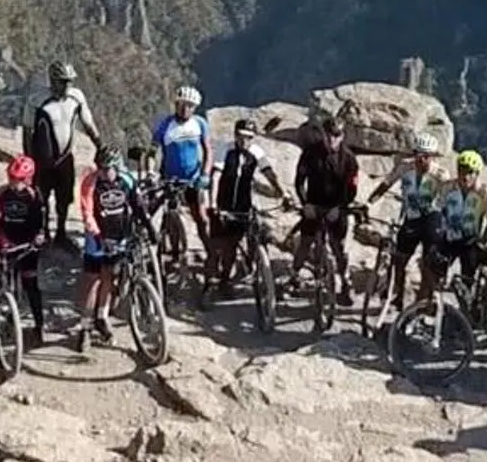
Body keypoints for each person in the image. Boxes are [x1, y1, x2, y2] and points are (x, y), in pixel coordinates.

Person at [206, 117, 287, 302]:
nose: (244, 140)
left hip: (244, 203)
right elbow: (216, 177)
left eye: (249, 137)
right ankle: (219, 281)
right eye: (241, 136)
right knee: (226, 246)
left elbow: (269, 174)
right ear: (235, 135)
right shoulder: (224, 150)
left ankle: (255, 268)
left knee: (255, 232)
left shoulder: (256, 152)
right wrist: (212, 203)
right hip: (224, 204)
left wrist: (283, 193)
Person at [74, 145, 146, 349]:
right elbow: (87, 213)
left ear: (117, 167)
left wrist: (147, 228)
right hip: (96, 238)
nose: (103, 172)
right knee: (93, 281)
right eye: (100, 168)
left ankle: (101, 317)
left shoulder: (127, 180)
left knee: (109, 277)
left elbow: (137, 206)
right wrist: (98, 236)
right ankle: (85, 327)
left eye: (107, 169)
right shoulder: (90, 183)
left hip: (118, 236)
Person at [366, 133, 446, 314]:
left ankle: (423, 301)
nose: (421, 159)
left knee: (428, 263)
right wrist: (369, 203)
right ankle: (398, 297)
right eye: (418, 154)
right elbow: (385, 184)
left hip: (431, 219)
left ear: (433, 157)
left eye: (426, 156)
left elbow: (448, 198)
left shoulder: (440, 175)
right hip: (411, 218)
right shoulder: (404, 167)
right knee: (399, 260)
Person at [26, 63, 102, 245]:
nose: (67, 86)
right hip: (42, 159)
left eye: (70, 82)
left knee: (64, 197)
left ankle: (60, 232)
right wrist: (28, 159)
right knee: (41, 197)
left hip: (65, 158)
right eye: (63, 82)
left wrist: (100, 145)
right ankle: (43, 232)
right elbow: (28, 131)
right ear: (53, 81)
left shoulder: (76, 98)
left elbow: (88, 124)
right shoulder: (37, 100)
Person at [292, 111, 363, 303]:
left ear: (343, 136)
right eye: (329, 134)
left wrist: (340, 208)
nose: (332, 139)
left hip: (336, 207)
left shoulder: (349, 159)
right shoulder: (309, 153)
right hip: (313, 205)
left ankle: (346, 284)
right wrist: (305, 203)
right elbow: (299, 182)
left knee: (339, 248)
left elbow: (352, 189)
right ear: (322, 134)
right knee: (305, 242)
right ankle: (294, 276)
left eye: (337, 135)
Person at [0, 154, 53, 341]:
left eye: (17, 180)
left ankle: (39, 324)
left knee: (30, 284)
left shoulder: (35, 196)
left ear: (27, 179)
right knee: (0, 273)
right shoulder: (3, 192)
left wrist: (39, 237)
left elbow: (42, 222)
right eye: (10, 177)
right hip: (7, 239)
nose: (12, 183)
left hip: (27, 244)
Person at [150, 85, 214, 255]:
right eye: (182, 104)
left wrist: (205, 174)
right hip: (170, 179)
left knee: (201, 218)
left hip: (193, 178)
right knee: (171, 216)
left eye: (190, 106)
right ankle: (175, 253)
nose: (185, 109)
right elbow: (152, 151)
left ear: (195, 108)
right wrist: (151, 171)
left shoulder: (200, 123)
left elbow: (208, 150)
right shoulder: (165, 125)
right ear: (176, 104)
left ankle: (211, 252)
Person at [429, 149, 487, 293]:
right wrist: (437, 233)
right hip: (449, 238)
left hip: (470, 242)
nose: (465, 176)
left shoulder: (484, 192)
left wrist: (482, 242)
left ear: (477, 173)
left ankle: (465, 311)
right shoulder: (448, 187)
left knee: (466, 283)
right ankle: (431, 306)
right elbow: (439, 210)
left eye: (470, 172)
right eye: (462, 171)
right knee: (435, 272)